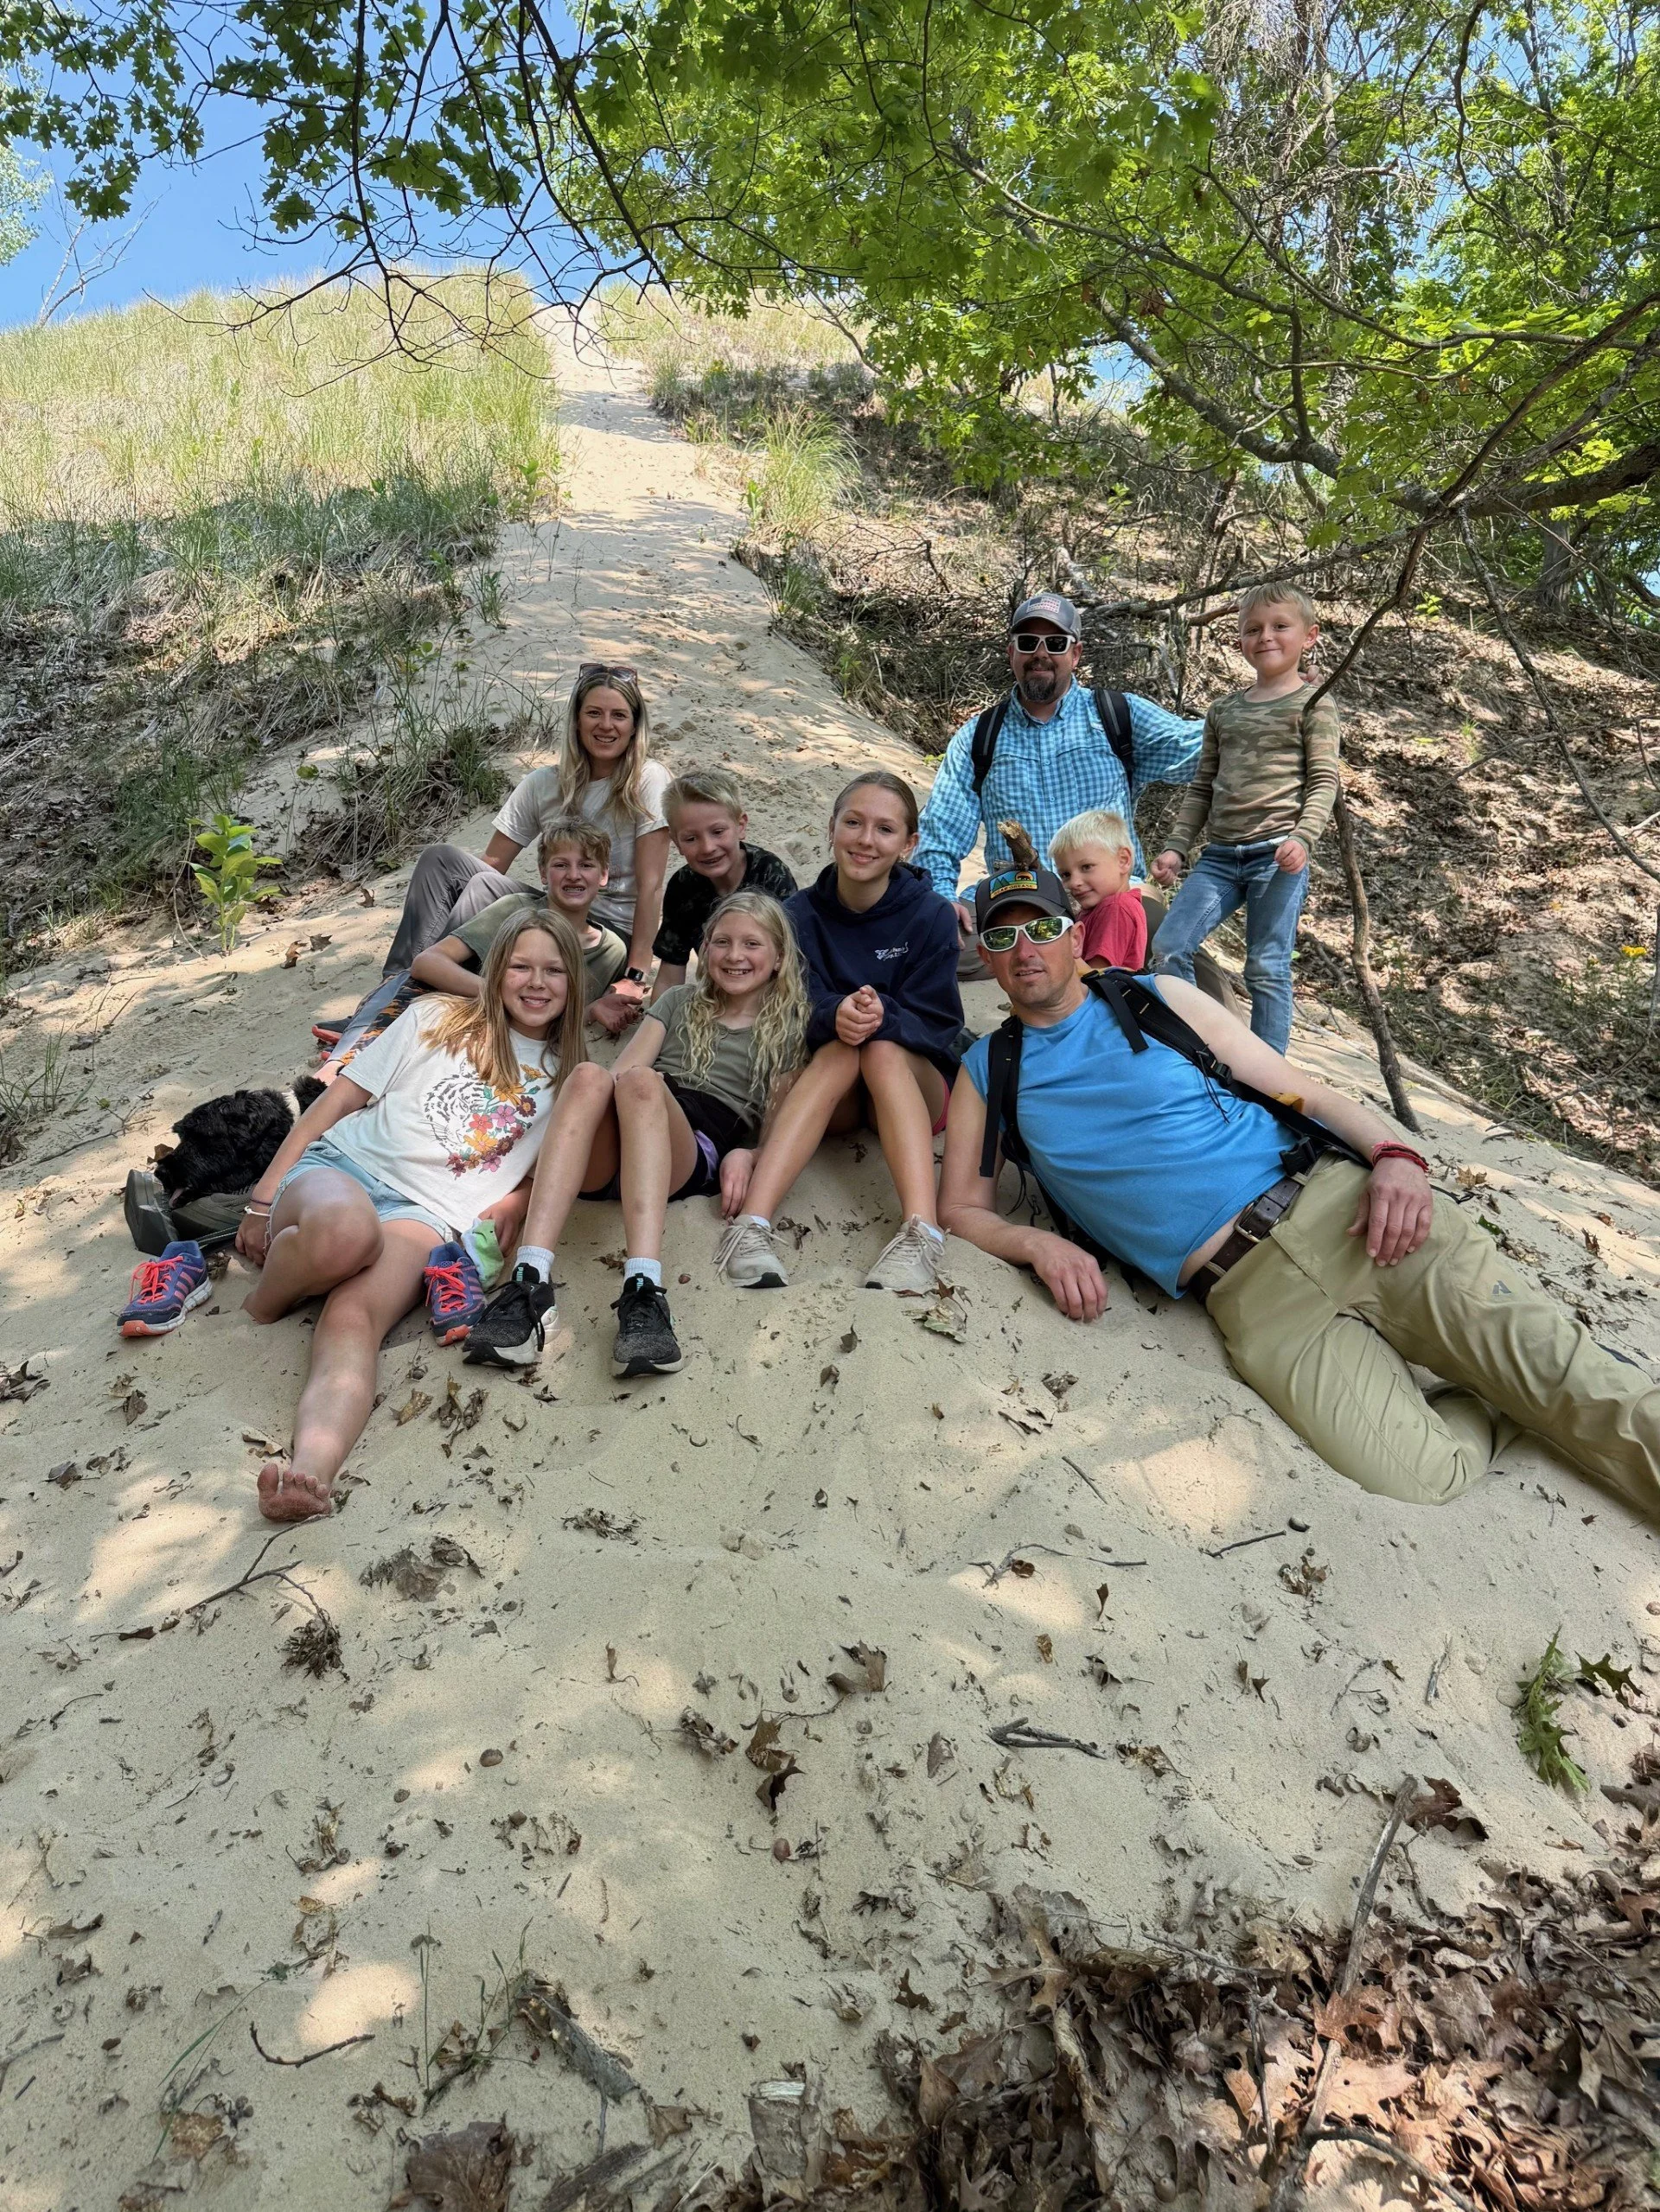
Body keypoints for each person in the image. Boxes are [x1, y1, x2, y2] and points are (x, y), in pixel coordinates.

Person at [938, 861, 1660, 1520]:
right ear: (989, 960)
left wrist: (1395, 1153)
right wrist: (1034, 1244)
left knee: (1573, 1379)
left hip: (1343, 1210)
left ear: (1074, 934)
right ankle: (1491, 1391)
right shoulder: (989, 1067)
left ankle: (1518, 1377)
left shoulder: (1153, 998)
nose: (1025, 949)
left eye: (1042, 926)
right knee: (1423, 1476)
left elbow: (1299, 1091)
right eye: (1003, 939)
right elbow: (962, 1209)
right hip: (1254, 1301)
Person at [236, 912, 588, 1521]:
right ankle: (266, 1299)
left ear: (573, 983)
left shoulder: (567, 1078)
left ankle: (310, 1472)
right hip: (342, 1167)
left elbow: (552, 1169)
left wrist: (514, 1200)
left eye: (554, 970)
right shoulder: (434, 1018)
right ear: (497, 971)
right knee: (345, 1230)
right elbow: (337, 1104)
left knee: (354, 1315)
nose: (537, 982)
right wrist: (264, 1195)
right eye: (522, 966)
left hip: (426, 1215)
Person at [463, 893, 810, 1375]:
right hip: (630, 1130)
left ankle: (644, 1288)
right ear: (704, 949)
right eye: (723, 942)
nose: (735, 955)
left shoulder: (789, 1024)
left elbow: (780, 1118)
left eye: (752, 944)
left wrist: (751, 1153)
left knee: (643, 1083)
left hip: (694, 1147)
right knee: (588, 1075)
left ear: (778, 959)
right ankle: (530, 1279)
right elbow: (621, 1072)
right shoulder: (678, 1001)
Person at [716, 771, 961, 1297]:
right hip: (839, 1093)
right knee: (844, 1049)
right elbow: (789, 1007)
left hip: (916, 1088)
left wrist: (881, 1016)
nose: (866, 840)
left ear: (908, 844)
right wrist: (834, 1014)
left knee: (876, 1046)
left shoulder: (933, 915)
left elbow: (941, 1025)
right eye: (853, 822)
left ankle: (922, 1232)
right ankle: (752, 1228)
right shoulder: (797, 915)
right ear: (831, 828)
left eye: (885, 829)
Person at [374, 662, 671, 1037]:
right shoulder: (544, 783)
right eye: (593, 713)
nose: (606, 725)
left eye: (619, 716)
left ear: (634, 726)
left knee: (483, 888)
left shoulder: (648, 780)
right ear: (576, 721)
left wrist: (635, 975)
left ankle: (417, 1000)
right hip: (552, 906)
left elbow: (652, 886)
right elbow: (492, 864)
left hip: (607, 933)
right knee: (442, 861)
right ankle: (393, 991)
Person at [913, 592, 1204, 972]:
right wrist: (939, 899)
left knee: (1187, 971)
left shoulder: (1116, 715)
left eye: (1055, 643)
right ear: (1011, 652)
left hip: (1115, 898)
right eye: (1028, 642)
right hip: (1020, 903)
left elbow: (1199, 748)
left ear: (1076, 653)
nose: (1041, 654)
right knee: (927, 948)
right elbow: (940, 836)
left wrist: (1272, 705)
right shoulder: (979, 737)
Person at [1150, 586, 1339, 1054]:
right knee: (1169, 946)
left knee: (1266, 965)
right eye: (1253, 629)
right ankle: (1197, 1048)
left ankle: (1266, 1074)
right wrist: (1177, 845)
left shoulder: (1314, 705)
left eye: (1280, 626)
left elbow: (1324, 782)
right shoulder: (1224, 711)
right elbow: (1202, 785)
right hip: (1218, 858)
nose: (1266, 637)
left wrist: (1303, 837)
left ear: (1309, 636)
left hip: (1277, 856)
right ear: (1239, 640)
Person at [411, 818, 629, 1007]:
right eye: (561, 865)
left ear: (603, 875)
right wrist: (504, 996)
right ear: (543, 873)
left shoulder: (612, 951)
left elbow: (570, 1015)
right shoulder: (515, 909)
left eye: (586, 865)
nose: (573, 875)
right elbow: (427, 962)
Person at [651, 768, 799, 998]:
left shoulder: (770, 874)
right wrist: (657, 1023)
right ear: (676, 842)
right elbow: (671, 970)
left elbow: (791, 962)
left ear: (741, 826)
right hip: (717, 993)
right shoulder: (683, 886)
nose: (708, 847)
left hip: (769, 996)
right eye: (691, 838)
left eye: (718, 832)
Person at [1049, 809, 1148, 971]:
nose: (1074, 882)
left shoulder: (1116, 907)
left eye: (1086, 867)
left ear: (1123, 860)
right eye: (1065, 874)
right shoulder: (1097, 909)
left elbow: (1096, 977)